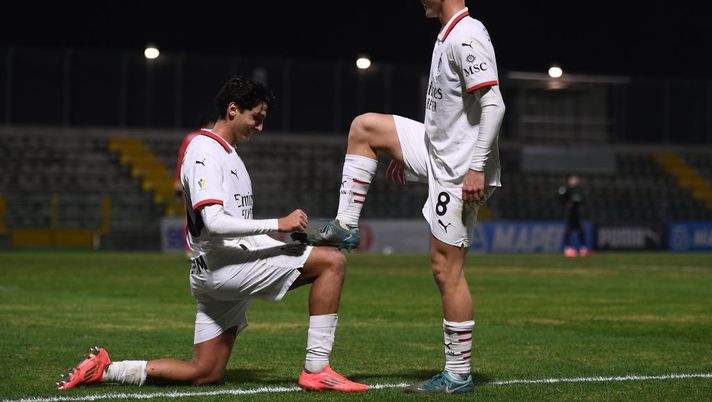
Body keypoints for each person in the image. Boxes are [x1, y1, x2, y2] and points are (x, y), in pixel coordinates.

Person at [57, 76, 367, 393]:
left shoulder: (228, 153)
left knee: (204, 371)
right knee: (332, 263)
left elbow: (237, 224)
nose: (260, 127)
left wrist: (298, 240)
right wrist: (278, 223)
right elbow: (215, 223)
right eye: (256, 118)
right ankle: (317, 370)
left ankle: (106, 370)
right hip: (225, 266)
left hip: (217, 268)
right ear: (233, 109)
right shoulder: (204, 152)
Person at [305, 0, 505, 394]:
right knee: (366, 129)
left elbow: (494, 104)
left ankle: (458, 373)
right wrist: (411, 157)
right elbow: (448, 110)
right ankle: (345, 225)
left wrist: (477, 167)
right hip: (436, 151)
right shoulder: (446, 33)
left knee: (445, 270)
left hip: (459, 170)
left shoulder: (466, 35)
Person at [175, 116, 216, 255]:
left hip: (193, 181)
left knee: (194, 217)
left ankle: (193, 249)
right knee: (201, 216)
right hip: (200, 182)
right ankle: (193, 248)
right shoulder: (208, 139)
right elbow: (182, 159)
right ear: (207, 124)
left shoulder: (191, 137)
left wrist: (178, 180)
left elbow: (181, 159)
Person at [558, 174, 590, 257]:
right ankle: (568, 249)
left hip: (577, 212)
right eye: (573, 179)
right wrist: (565, 203)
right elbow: (559, 196)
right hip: (570, 212)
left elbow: (582, 199)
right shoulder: (566, 189)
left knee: (580, 230)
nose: (575, 181)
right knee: (568, 230)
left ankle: (583, 248)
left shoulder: (579, 189)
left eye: (576, 179)